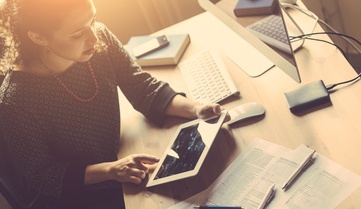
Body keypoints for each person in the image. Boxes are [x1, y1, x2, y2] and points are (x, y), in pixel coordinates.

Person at [0, 0, 224, 208]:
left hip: (122, 168)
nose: (93, 38)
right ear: (39, 37)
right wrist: (111, 170)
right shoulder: (14, 102)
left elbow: (142, 87)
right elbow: (45, 176)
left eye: (93, 21)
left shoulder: (100, 39)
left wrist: (195, 108)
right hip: (81, 196)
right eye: (78, 33)